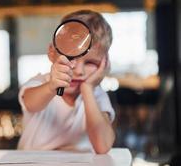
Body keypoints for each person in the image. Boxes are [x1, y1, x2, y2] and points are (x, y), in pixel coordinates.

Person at [18, 10, 115, 154]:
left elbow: (102, 146)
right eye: (70, 57)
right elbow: (30, 103)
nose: (79, 71)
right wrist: (51, 87)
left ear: (104, 63)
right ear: (52, 52)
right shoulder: (41, 83)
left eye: (90, 62)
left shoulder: (96, 95)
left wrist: (87, 89)